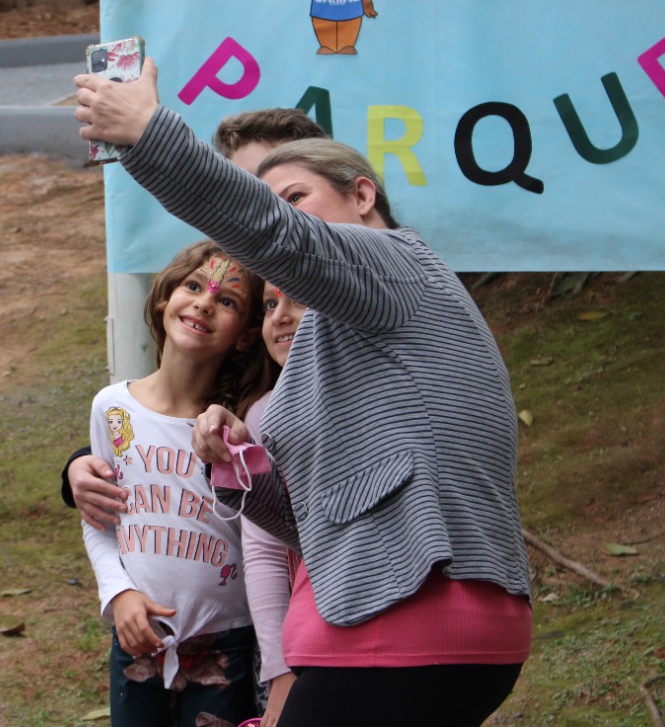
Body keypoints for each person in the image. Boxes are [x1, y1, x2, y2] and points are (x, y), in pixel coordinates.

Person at [74, 59, 533, 727]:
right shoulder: (335, 335)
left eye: (293, 195)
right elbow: (315, 527)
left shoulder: (392, 263)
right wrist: (236, 465)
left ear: (362, 196)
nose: (276, 221)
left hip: (410, 621)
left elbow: (273, 234)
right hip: (371, 624)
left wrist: (147, 132)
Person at [61, 107, 328, 527]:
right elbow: (160, 420)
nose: (263, 210)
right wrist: (84, 466)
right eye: (246, 190)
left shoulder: (349, 297)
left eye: (287, 195)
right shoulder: (224, 278)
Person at [81, 239, 269, 727]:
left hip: (229, 639)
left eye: (227, 301)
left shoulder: (240, 426)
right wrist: (117, 594)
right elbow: (99, 519)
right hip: (139, 636)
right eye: (193, 285)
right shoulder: (112, 408)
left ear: (246, 336)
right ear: (165, 298)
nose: (205, 301)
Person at [239, 283, 307, 727]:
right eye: (269, 304)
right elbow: (263, 549)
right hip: (304, 632)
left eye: (296, 298)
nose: (279, 315)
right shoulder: (261, 416)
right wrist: (279, 669)